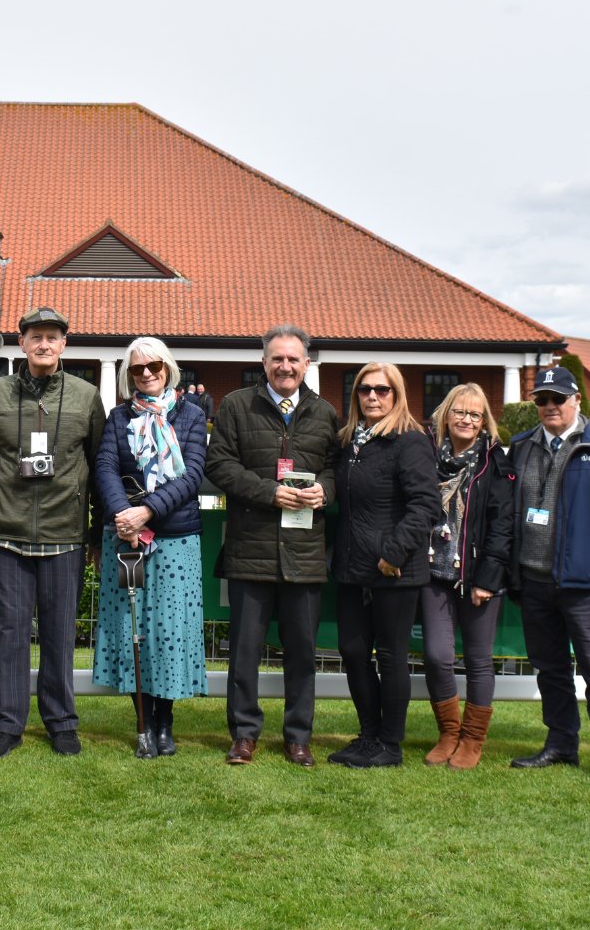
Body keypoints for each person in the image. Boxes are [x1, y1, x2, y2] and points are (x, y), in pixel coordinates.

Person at [0, 307, 105, 758]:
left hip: (66, 536)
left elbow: (101, 468)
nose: (44, 344)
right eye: (35, 336)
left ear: (64, 345)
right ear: (21, 344)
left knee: (61, 635)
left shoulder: (86, 396)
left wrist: (96, 534)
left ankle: (62, 722)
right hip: (7, 534)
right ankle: (6, 725)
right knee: (9, 634)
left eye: (52, 337)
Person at [205, 324, 338, 766]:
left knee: (302, 652)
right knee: (244, 653)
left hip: (304, 554)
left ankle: (298, 736)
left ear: (306, 364)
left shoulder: (325, 413)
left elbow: (336, 470)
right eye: (277, 359)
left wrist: (325, 490)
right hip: (251, 550)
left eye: (293, 359)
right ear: (264, 362)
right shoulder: (237, 406)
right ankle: (244, 734)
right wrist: (268, 492)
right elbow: (219, 464)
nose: (285, 366)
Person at [507, 366, 590, 785]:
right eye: (542, 400)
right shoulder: (520, 447)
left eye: (557, 399)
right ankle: (561, 743)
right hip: (533, 580)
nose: (549, 406)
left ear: (576, 402)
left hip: (585, 584)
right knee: (549, 669)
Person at [93, 337, 207, 757]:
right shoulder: (117, 417)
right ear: (128, 375)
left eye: (153, 366)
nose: (146, 374)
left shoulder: (191, 416)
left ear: (168, 368)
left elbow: (192, 474)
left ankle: (165, 721)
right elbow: (105, 466)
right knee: (133, 629)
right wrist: (124, 514)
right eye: (137, 369)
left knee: (169, 632)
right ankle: (142, 721)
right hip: (126, 539)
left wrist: (147, 513)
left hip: (175, 537)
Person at [327, 362, 439, 768]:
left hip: (395, 569)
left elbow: (425, 503)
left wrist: (393, 553)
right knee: (353, 650)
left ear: (397, 394)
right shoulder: (348, 441)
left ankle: (390, 744)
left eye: (383, 389)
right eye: (364, 389)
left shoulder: (410, 440)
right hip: (352, 567)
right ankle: (368, 736)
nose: (373, 396)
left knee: (390, 655)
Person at [421, 384, 514, 769]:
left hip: (477, 576)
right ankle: (448, 733)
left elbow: (502, 525)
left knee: (478, 659)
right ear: (446, 413)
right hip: (432, 573)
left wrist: (487, 579)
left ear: (484, 421)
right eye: (459, 411)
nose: (466, 419)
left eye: (475, 414)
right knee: (437, 656)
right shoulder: (426, 455)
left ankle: (473, 740)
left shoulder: (496, 463)